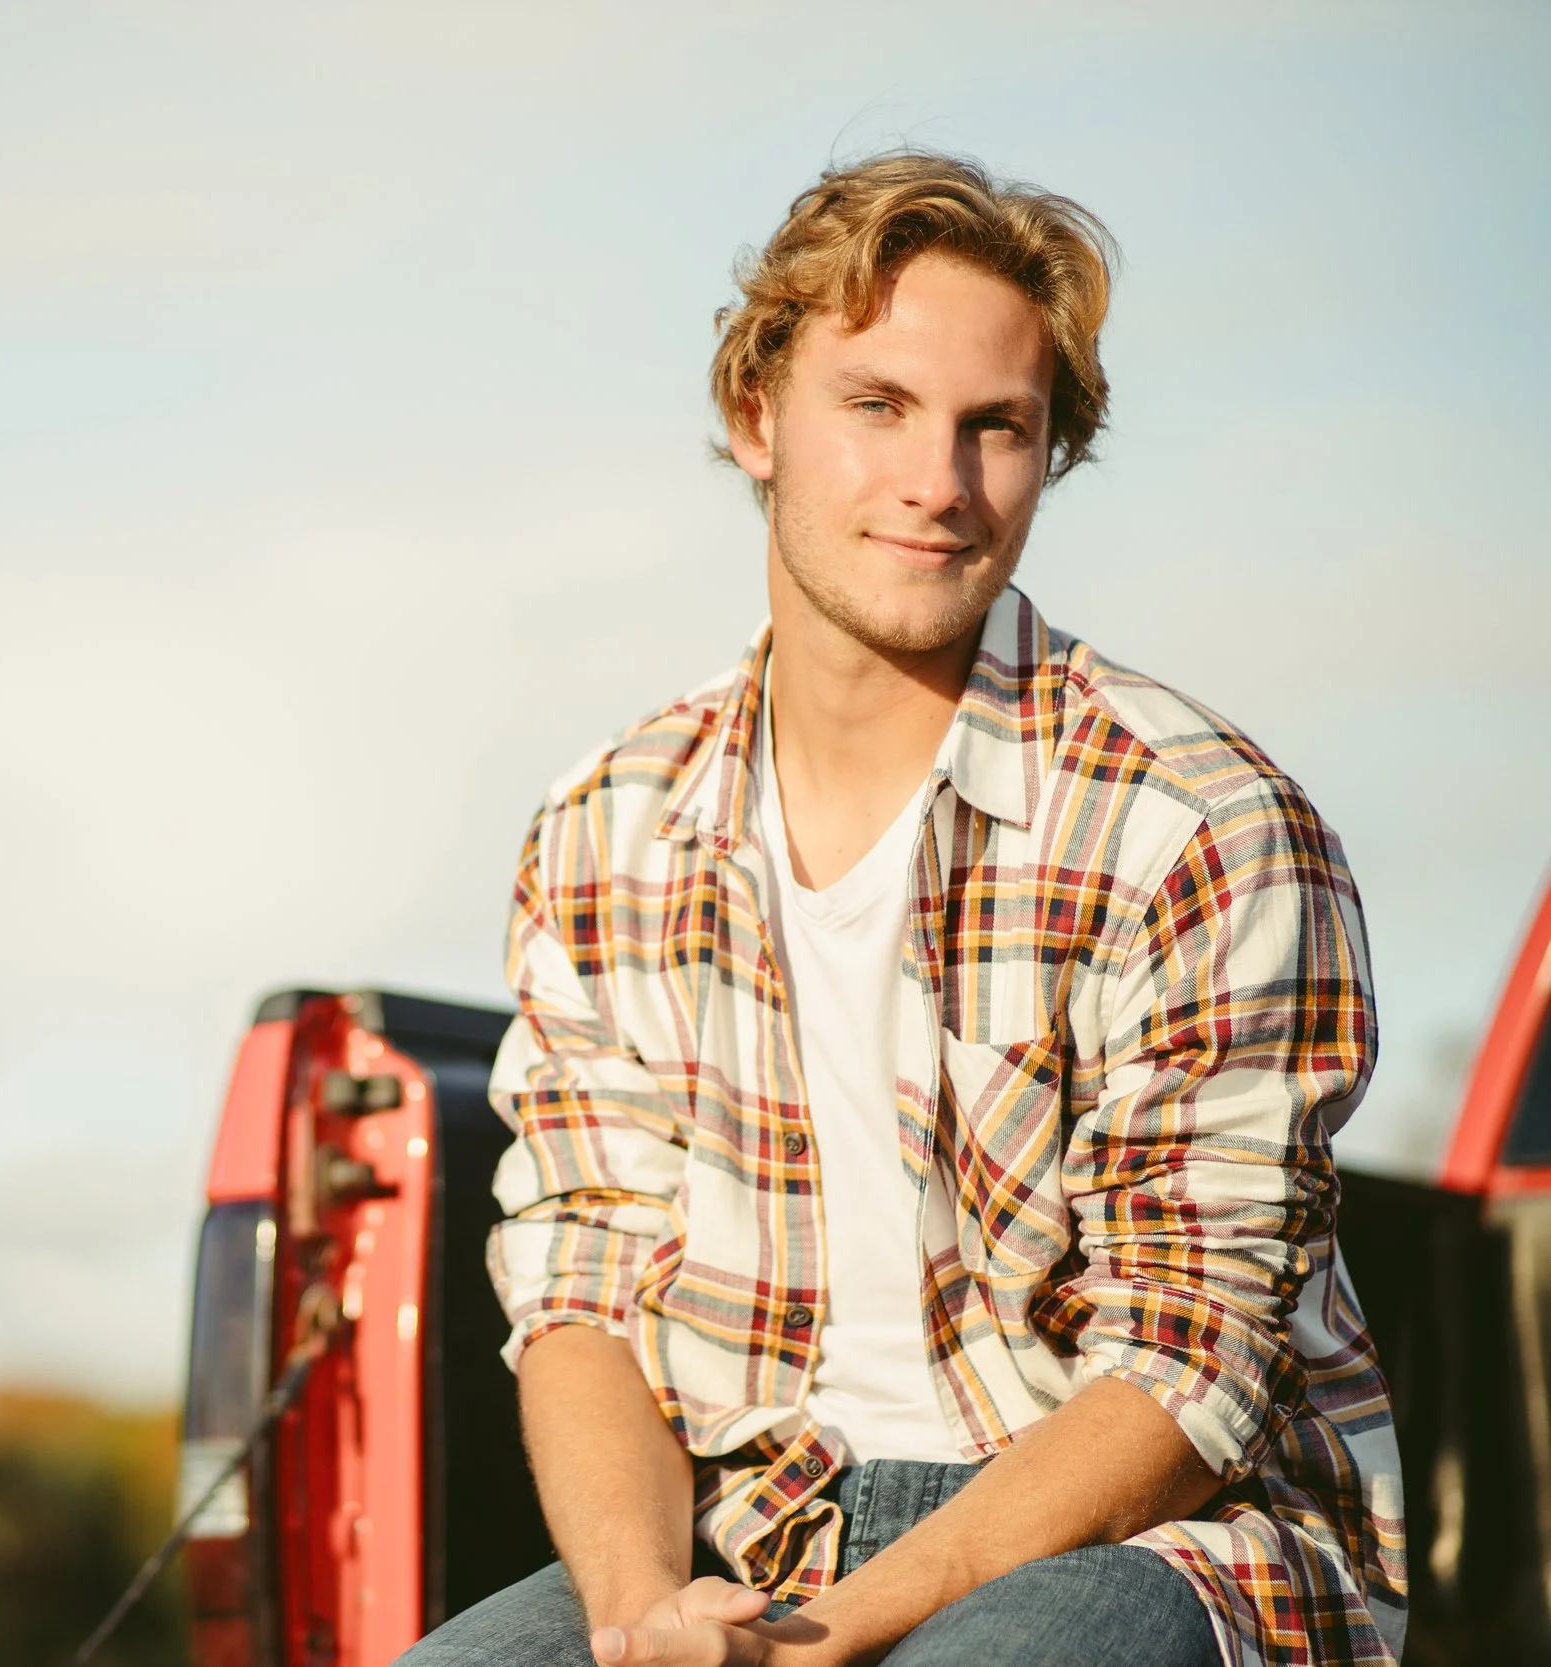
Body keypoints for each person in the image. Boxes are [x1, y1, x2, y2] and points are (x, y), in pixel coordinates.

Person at [399, 152, 1405, 1667]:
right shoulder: (610, 829)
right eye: (878, 405)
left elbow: (1194, 1362)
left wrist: (815, 1648)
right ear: (756, 416)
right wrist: (642, 1623)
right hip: (754, 1526)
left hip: (1147, 1539)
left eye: (996, 425)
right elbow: (582, 1289)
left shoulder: (1197, 827)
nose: (940, 482)